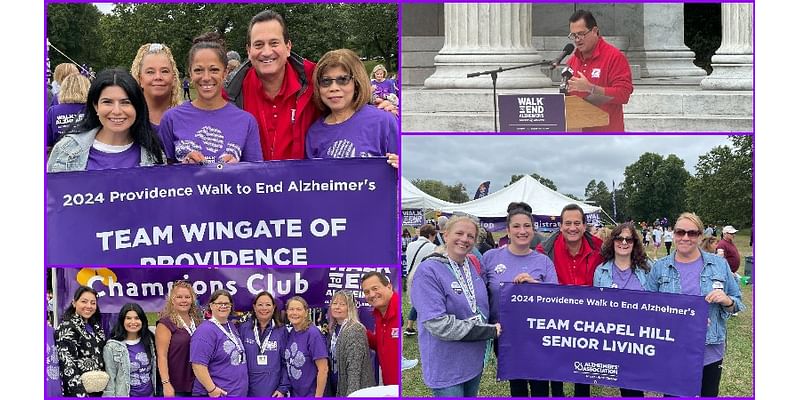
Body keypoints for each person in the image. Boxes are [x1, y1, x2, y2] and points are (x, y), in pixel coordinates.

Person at [226, 10, 396, 161]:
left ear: (288, 46)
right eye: (258, 44)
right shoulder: (231, 95)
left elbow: (347, 99)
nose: (267, 51)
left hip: (304, 190)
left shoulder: (315, 78)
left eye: (274, 43)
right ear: (248, 51)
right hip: (255, 191)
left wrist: (377, 105)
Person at [645, 212, 744, 397]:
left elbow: (737, 302)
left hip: (710, 350)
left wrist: (727, 300)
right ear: (673, 234)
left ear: (700, 236)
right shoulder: (660, 267)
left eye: (692, 233)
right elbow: (647, 308)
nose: (685, 237)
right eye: (680, 232)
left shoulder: (719, 265)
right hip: (672, 350)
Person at [410, 216, 501, 397]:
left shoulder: (473, 265)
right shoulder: (428, 271)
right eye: (459, 233)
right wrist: (487, 331)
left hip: (473, 360)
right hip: (446, 365)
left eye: (470, 236)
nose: (464, 239)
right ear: (445, 234)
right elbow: (437, 324)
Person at [481, 203, 557, 397]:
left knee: (540, 386)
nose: (522, 231)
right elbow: (479, 294)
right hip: (505, 335)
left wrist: (534, 286)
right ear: (507, 230)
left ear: (533, 229)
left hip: (537, 334)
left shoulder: (543, 261)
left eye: (527, 226)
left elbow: (555, 299)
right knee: (517, 385)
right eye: (516, 226)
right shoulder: (490, 257)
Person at [159, 33, 263, 164]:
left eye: (214, 70)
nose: (206, 77)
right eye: (198, 70)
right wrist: (183, 168)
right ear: (190, 73)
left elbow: (256, 176)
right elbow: (162, 176)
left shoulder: (246, 121)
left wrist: (239, 170)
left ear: (225, 73)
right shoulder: (171, 119)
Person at [535, 203, 603, 397]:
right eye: (568, 223)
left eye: (577, 223)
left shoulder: (600, 248)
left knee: (584, 370)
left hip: (589, 320)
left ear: (584, 225)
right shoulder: (545, 249)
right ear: (561, 225)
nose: (572, 228)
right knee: (555, 366)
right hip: (557, 320)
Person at [47, 68, 165, 172]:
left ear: (137, 106)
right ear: (95, 106)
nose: (117, 111)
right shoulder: (65, 150)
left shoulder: (154, 152)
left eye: (126, 102)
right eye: (107, 102)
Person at [305, 49, 398, 167]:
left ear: (357, 82)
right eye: (326, 81)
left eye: (343, 80)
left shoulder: (384, 121)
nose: (333, 88)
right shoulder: (314, 133)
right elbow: (311, 180)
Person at [594, 222, 650, 397]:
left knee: (634, 387)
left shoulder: (647, 269)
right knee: (620, 381)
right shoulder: (600, 271)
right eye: (619, 238)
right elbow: (595, 305)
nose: (624, 242)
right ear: (613, 241)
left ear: (635, 243)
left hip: (639, 337)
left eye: (629, 239)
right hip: (612, 337)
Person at [565, 9, 633, 132]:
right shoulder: (572, 61)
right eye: (573, 35)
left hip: (607, 134)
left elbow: (623, 95)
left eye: (581, 34)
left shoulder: (615, 57)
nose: (577, 39)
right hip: (577, 134)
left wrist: (591, 88)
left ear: (595, 31)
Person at [190, 289, 248, 397]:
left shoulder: (230, 326)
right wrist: (212, 389)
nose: (223, 306)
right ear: (211, 306)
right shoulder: (205, 331)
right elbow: (198, 365)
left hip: (236, 393)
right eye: (219, 303)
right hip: (217, 394)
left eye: (226, 303)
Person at [55, 286, 106, 397]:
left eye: (93, 303)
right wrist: (81, 394)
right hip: (79, 392)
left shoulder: (96, 327)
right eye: (84, 301)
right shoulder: (67, 328)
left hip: (100, 391)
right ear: (74, 303)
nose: (89, 306)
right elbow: (68, 366)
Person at [155, 281, 203, 397]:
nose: (184, 300)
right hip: (175, 386)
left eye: (187, 297)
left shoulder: (197, 322)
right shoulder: (165, 323)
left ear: (192, 300)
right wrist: (166, 384)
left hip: (196, 383)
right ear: (172, 300)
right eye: (179, 297)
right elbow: (161, 356)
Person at [238, 291, 290, 397]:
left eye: (268, 305)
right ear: (254, 307)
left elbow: (287, 362)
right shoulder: (244, 328)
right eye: (260, 305)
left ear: (274, 307)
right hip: (247, 389)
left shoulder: (281, 330)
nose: (264, 308)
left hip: (273, 390)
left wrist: (282, 388)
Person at [326, 290, 375, 396]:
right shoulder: (333, 328)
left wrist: (351, 394)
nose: (337, 307)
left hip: (354, 389)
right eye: (335, 303)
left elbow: (355, 369)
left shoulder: (355, 329)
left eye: (342, 304)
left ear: (350, 308)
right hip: (336, 385)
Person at [103, 303, 157, 397]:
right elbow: (110, 379)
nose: (133, 322)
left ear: (142, 320)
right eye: (128, 318)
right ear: (122, 321)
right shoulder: (111, 346)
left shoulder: (150, 340)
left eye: (137, 318)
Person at [360, 271, 401, 385]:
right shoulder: (378, 314)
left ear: (389, 286)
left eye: (375, 288)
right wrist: (360, 330)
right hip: (389, 387)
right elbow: (379, 345)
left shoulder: (399, 310)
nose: (372, 295)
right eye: (367, 292)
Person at [284, 296, 328, 397]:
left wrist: (318, 397)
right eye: (291, 309)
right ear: (287, 312)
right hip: (295, 394)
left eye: (299, 309)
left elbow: (323, 369)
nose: (294, 313)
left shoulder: (313, 334)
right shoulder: (291, 333)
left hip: (311, 394)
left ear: (306, 312)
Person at [130, 43, 182, 127]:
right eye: (150, 72)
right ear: (140, 79)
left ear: (173, 78)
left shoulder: (187, 118)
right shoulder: (129, 121)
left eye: (164, 71)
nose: (158, 77)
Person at [404, 223, 438, 336]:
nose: (434, 239)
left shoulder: (411, 245)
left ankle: (409, 326)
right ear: (430, 235)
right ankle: (421, 326)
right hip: (424, 278)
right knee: (425, 302)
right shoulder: (432, 247)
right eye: (434, 236)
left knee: (416, 302)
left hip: (410, 277)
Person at [47, 73, 90, 151]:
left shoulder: (53, 111)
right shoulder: (93, 109)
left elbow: (47, 142)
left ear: (64, 89)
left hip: (60, 156)